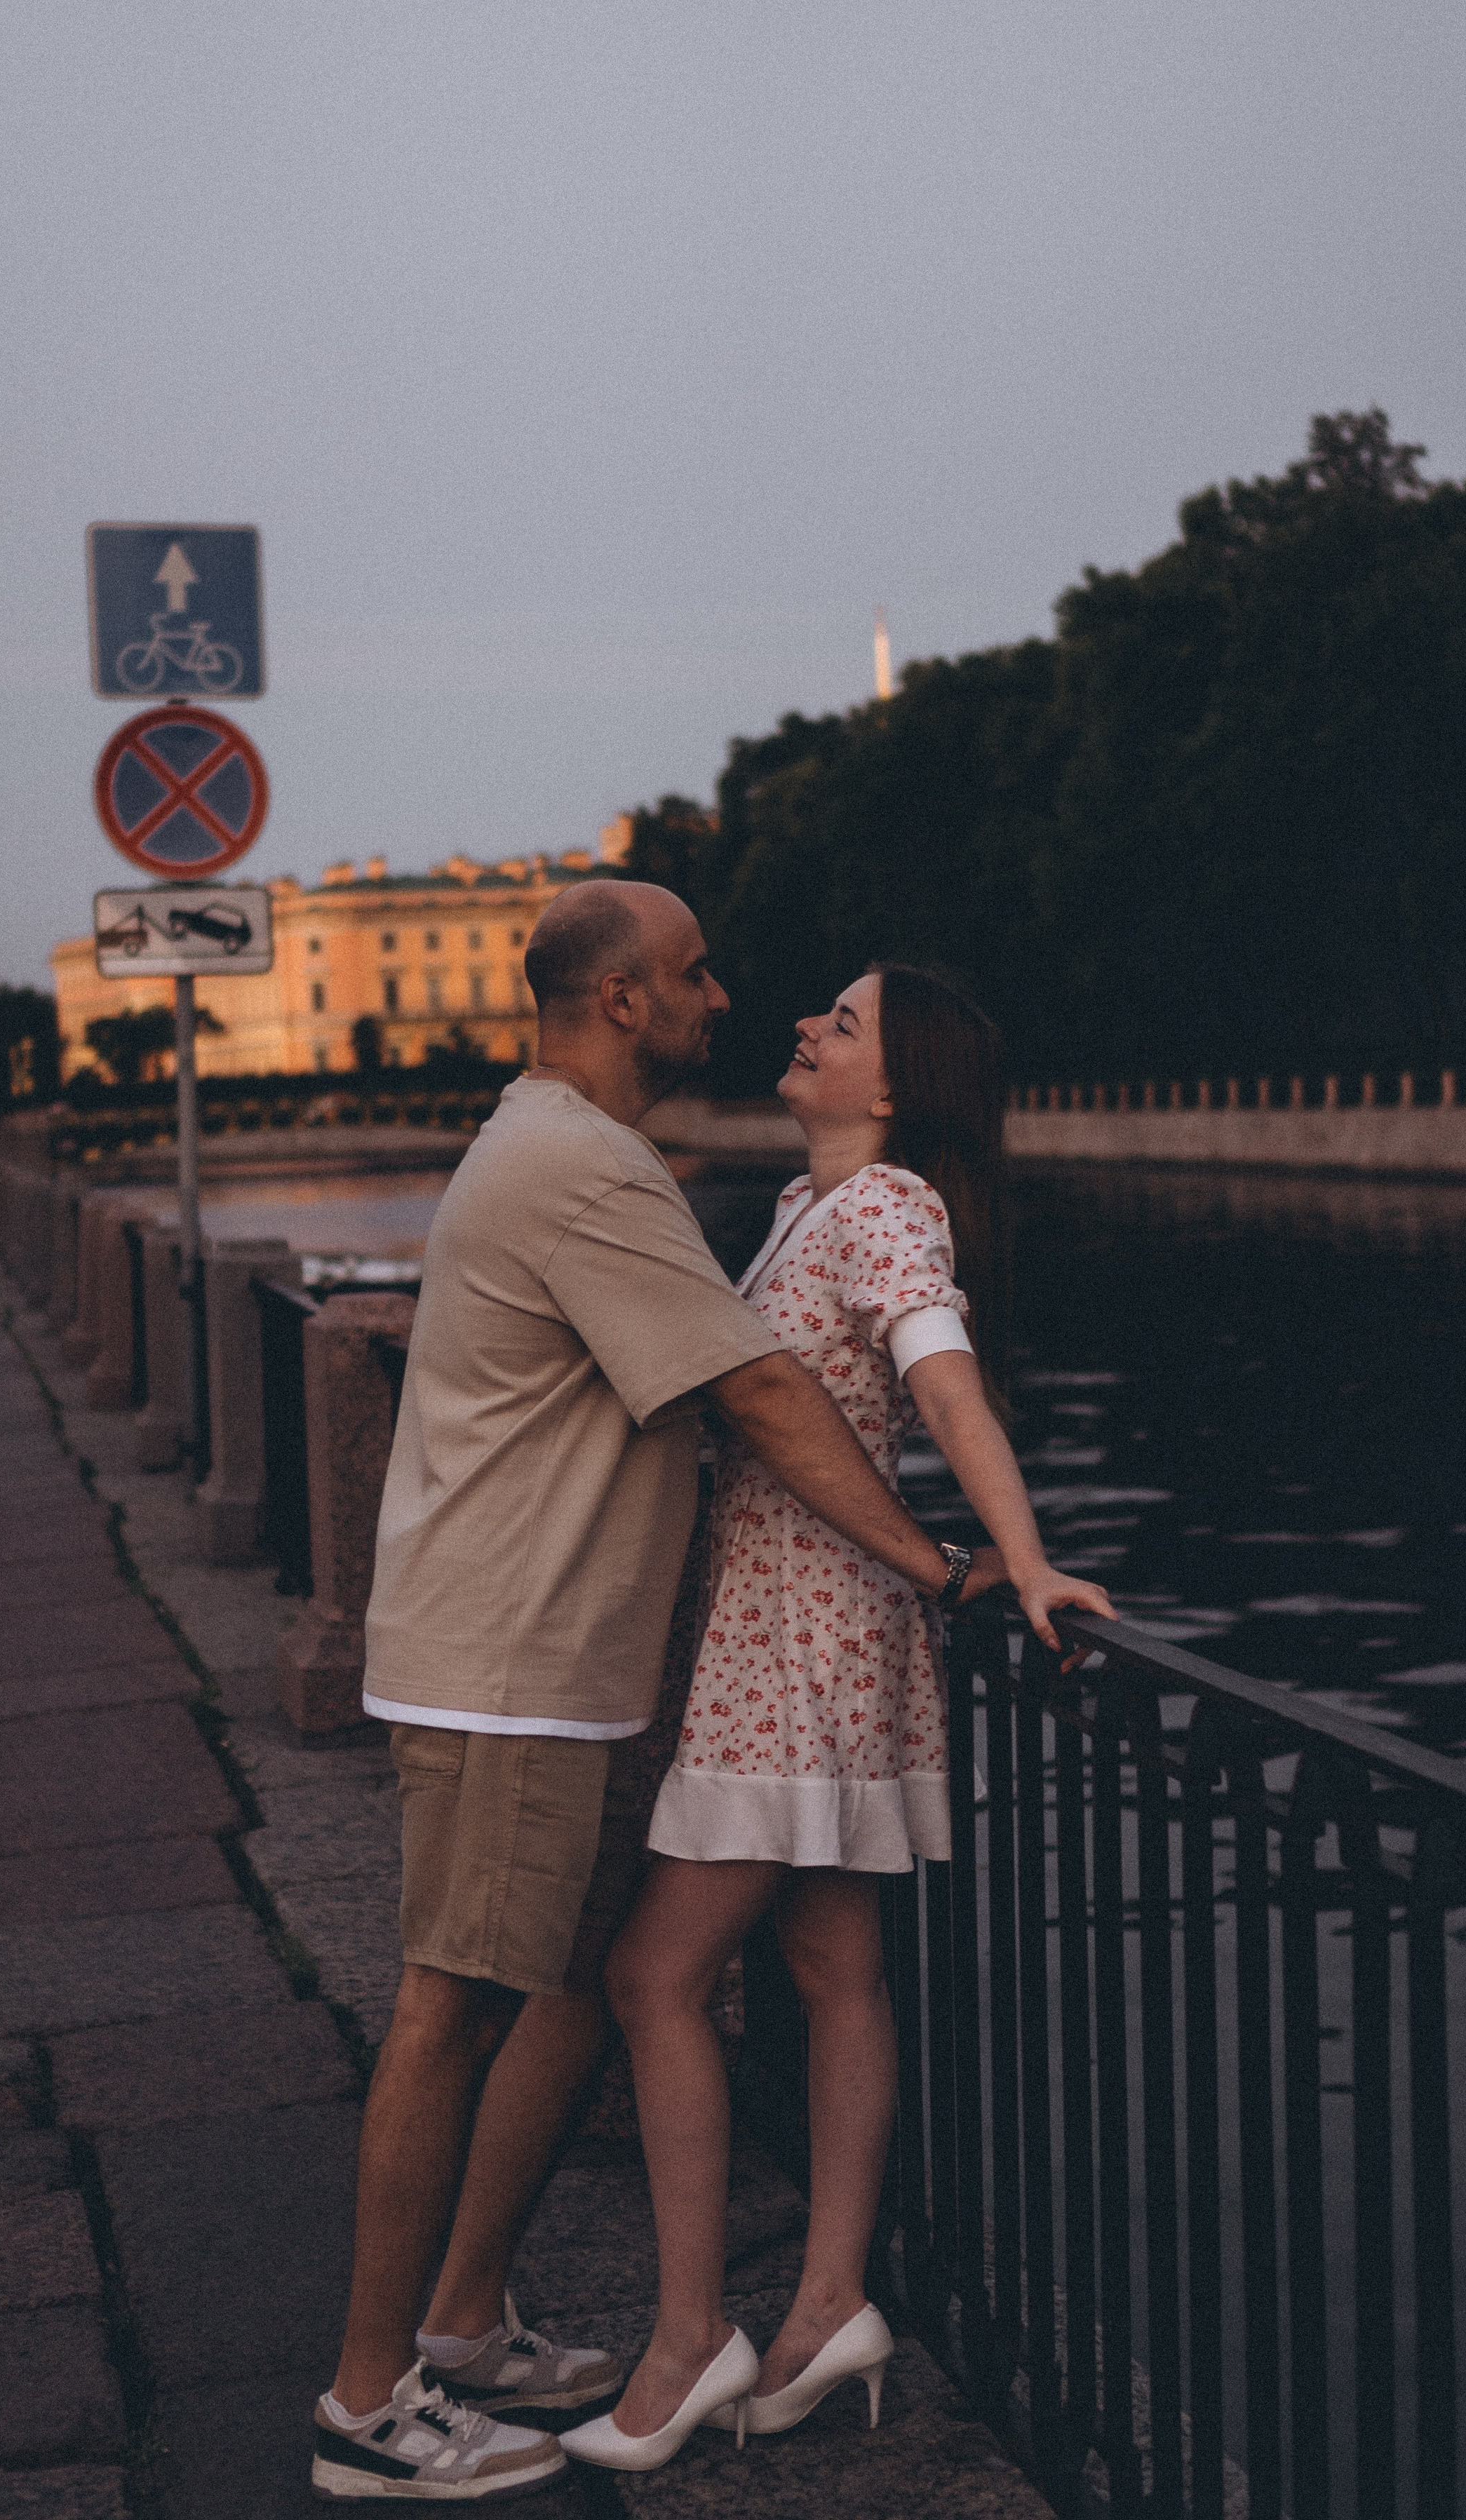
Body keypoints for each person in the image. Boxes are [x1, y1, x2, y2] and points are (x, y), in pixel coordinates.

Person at [311, 891, 1010, 2502]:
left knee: (570, 1988)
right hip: (514, 1667)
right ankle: (367, 2403)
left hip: (564, 1658)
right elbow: (758, 1389)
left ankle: (472, 2324)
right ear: (624, 1001)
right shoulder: (586, 1170)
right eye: (693, 976)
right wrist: (939, 1563)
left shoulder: (563, 1146)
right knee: (452, 2004)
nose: (726, 999)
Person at [563, 964, 1115, 2474]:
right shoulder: (812, 1209)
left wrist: (1023, 1552)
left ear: (890, 1088)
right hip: (808, 1631)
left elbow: (943, 1384)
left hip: (796, 1642)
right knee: (829, 1967)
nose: (805, 1026)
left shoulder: (882, 1210)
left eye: (843, 1022)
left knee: (652, 1977)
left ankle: (689, 2345)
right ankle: (824, 2309)